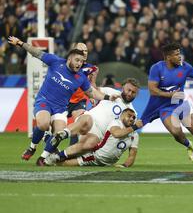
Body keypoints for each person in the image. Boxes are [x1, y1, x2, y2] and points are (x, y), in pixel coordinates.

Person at [7, 36, 117, 165]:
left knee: (59, 134)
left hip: (61, 108)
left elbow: (92, 92)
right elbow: (36, 52)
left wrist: (109, 97)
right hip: (45, 101)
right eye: (77, 60)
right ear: (69, 58)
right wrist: (20, 43)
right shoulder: (55, 61)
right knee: (43, 124)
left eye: (81, 61)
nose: (79, 63)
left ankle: (42, 158)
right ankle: (32, 147)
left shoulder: (81, 77)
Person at [45, 78, 140, 165]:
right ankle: (63, 134)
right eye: (129, 90)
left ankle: (56, 155)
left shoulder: (132, 113)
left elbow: (124, 131)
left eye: (133, 92)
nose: (130, 93)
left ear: (137, 94)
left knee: (87, 145)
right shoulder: (111, 91)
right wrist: (94, 79)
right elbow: (93, 91)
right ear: (123, 87)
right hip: (90, 119)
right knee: (84, 120)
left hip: (98, 134)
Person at [54, 108, 140, 168]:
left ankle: (56, 156)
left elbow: (132, 156)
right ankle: (50, 159)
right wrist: (135, 127)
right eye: (129, 116)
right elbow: (117, 134)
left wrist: (124, 165)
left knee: (71, 157)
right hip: (95, 156)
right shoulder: (116, 123)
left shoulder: (135, 135)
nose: (132, 119)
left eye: (134, 117)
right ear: (122, 115)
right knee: (65, 163)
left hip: (108, 163)